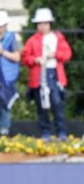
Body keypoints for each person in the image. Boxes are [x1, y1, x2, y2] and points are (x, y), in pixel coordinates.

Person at [21, 8, 72, 141]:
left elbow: (67, 55)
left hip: (54, 74)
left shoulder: (58, 38)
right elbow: (25, 57)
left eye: (45, 23)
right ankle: (45, 132)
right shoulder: (32, 40)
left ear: (50, 24)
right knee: (41, 105)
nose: (42, 26)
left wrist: (55, 55)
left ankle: (61, 132)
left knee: (57, 103)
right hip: (38, 76)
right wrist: (36, 59)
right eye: (40, 24)